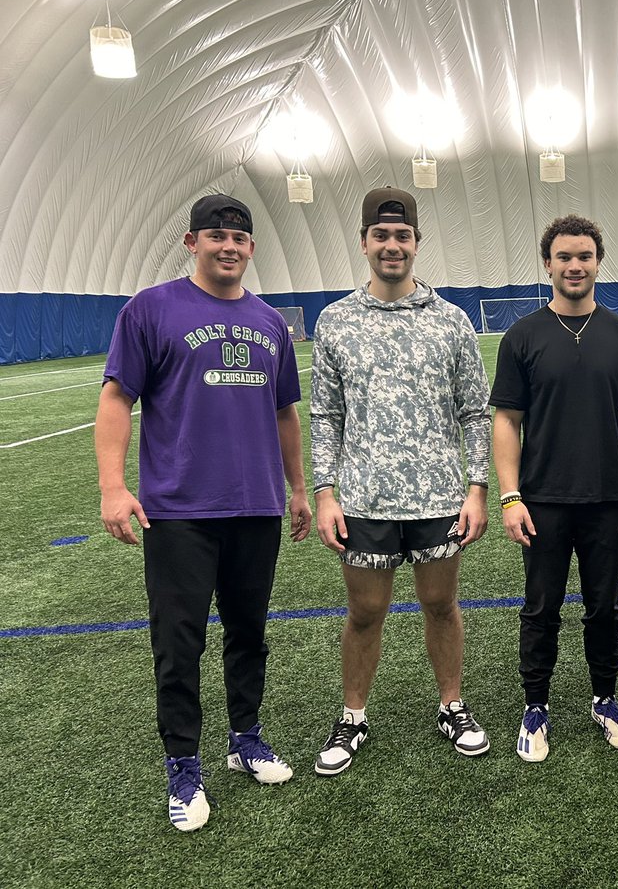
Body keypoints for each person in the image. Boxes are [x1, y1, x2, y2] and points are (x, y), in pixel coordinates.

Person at [95, 194, 312, 832]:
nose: (229, 247)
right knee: (179, 641)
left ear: (251, 248)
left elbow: (284, 415)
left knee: (249, 632)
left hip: (255, 508)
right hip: (178, 511)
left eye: (240, 239)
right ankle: (183, 767)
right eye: (216, 235)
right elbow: (116, 400)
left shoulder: (271, 324)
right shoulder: (150, 310)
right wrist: (114, 486)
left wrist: (297, 490)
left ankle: (245, 738)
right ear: (192, 242)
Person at [309, 187, 492, 774]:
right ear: (364, 243)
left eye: (403, 236)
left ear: (417, 243)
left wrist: (477, 487)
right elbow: (326, 415)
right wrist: (326, 492)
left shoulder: (451, 322)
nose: (392, 246)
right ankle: (353, 717)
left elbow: (475, 411)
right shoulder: (335, 321)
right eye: (381, 236)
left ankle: (453, 705)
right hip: (364, 499)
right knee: (364, 612)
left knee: (441, 603)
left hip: (439, 494)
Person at [490, 214, 618, 762]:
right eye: (564, 257)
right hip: (543, 502)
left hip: (608, 499)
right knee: (541, 608)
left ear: (598, 262)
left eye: (584, 256)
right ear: (548, 264)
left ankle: (605, 700)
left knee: (604, 608)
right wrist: (510, 495)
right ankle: (536, 707)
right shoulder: (523, 336)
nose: (575, 265)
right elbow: (506, 421)